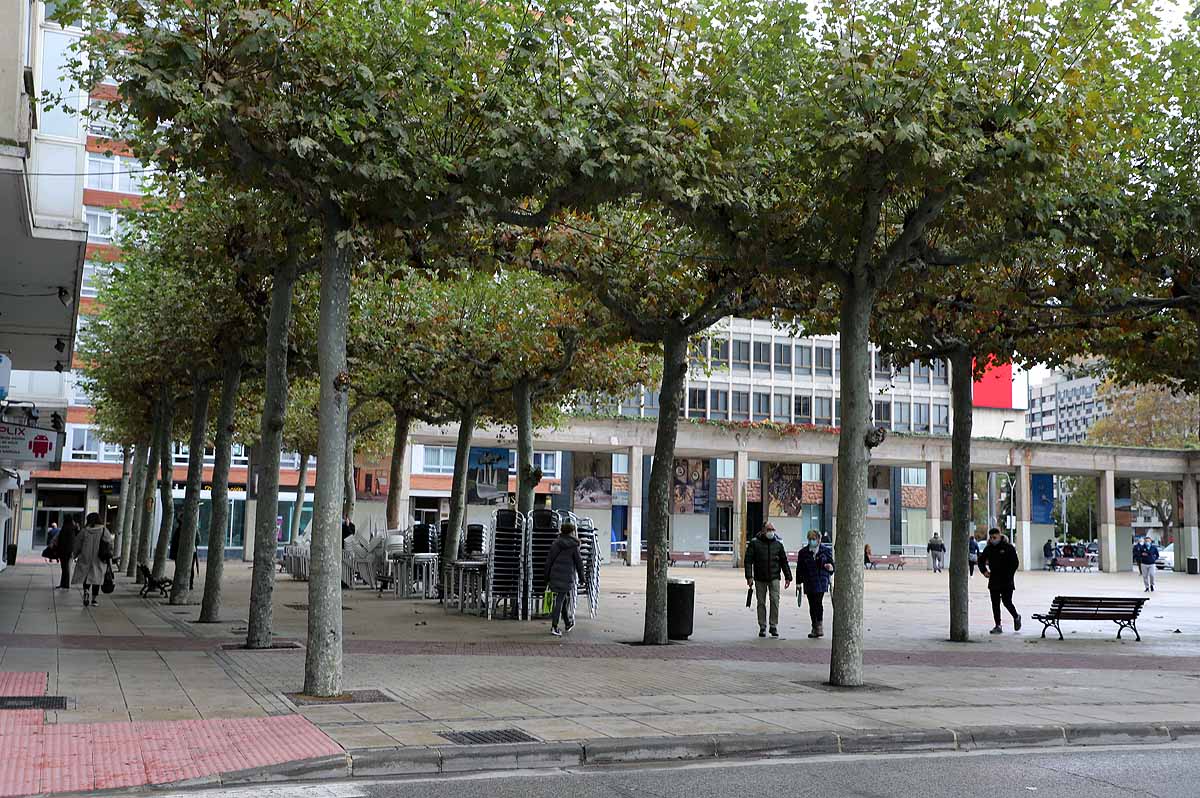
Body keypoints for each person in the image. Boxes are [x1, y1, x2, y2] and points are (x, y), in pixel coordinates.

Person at [744, 522, 792, 638]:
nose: (771, 531)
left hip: (774, 577)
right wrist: (749, 577)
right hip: (760, 578)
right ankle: (762, 626)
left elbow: (784, 561)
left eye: (772, 529)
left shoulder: (778, 544)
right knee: (761, 602)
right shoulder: (754, 543)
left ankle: (773, 625)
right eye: (769, 529)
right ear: (763, 530)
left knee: (775, 600)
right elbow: (748, 561)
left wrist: (788, 577)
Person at [544, 521, 585, 637]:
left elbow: (549, 561)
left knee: (564, 599)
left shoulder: (556, 543)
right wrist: (582, 578)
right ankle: (554, 626)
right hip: (566, 577)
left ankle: (567, 623)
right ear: (572, 532)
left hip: (554, 575)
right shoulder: (573, 546)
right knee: (560, 600)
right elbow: (579, 563)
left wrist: (546, 577)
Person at [977, 527, 1021, 634]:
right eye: (991, 538)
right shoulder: (989, 548)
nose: (993, 539)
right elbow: (981, 560)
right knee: (995, 603)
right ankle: (998, 625)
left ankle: (1016, 616)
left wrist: (1009, 575)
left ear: (999, 535)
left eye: (994, 537)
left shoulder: (1008, 547)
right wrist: (984, 571)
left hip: (1007, 580)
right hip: (994, 580)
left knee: (1007, 601)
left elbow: (1015, 563)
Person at [796, 529, 835, 638]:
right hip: (809, 581)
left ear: (819, 539)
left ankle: (819, 626)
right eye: (810, 539)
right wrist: (798, 583)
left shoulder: (825, 551)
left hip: (821, 580)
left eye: (814, 539)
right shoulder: (803, 552)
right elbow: (800, 569)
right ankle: (814, 626)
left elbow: (832, 566)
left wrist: (830, 568)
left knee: (818, 602)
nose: (812, 541)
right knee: (812, 604)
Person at [72, 513, 113, 608]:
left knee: (86, 577)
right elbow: (109, 545)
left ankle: (86, 591)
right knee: (96, 579)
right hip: (99, 558)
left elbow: (78, 544)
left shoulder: (84, 531)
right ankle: (94, 599)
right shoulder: (104, 531)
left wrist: (75, 554)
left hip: (85, 557)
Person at [54, 519, 78, 590]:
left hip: (63, 552)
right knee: (66, 568)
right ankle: (65, 584)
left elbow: (61, 541)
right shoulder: (73, 530)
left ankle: (64, 584)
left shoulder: (64, 529)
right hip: (69, 552)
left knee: (65, 568)